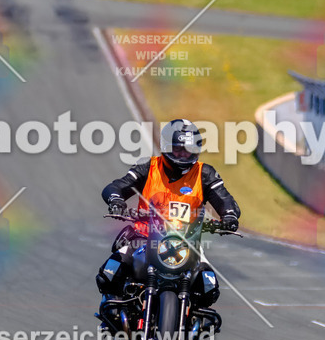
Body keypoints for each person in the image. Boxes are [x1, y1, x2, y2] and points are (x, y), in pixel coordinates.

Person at [97, 119, 240, 312]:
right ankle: (114, 310)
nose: (182, 154)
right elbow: (117, 186)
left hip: (187, 244)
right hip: (142, 239)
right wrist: (116, 200)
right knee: (110, 272)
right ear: (166, 146)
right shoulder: (149, 167)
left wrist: (229, 216)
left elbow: (224, 199)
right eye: (178, 149)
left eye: (187, 149)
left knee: (209, 288)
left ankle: (193, 321)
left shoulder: (204, 173)